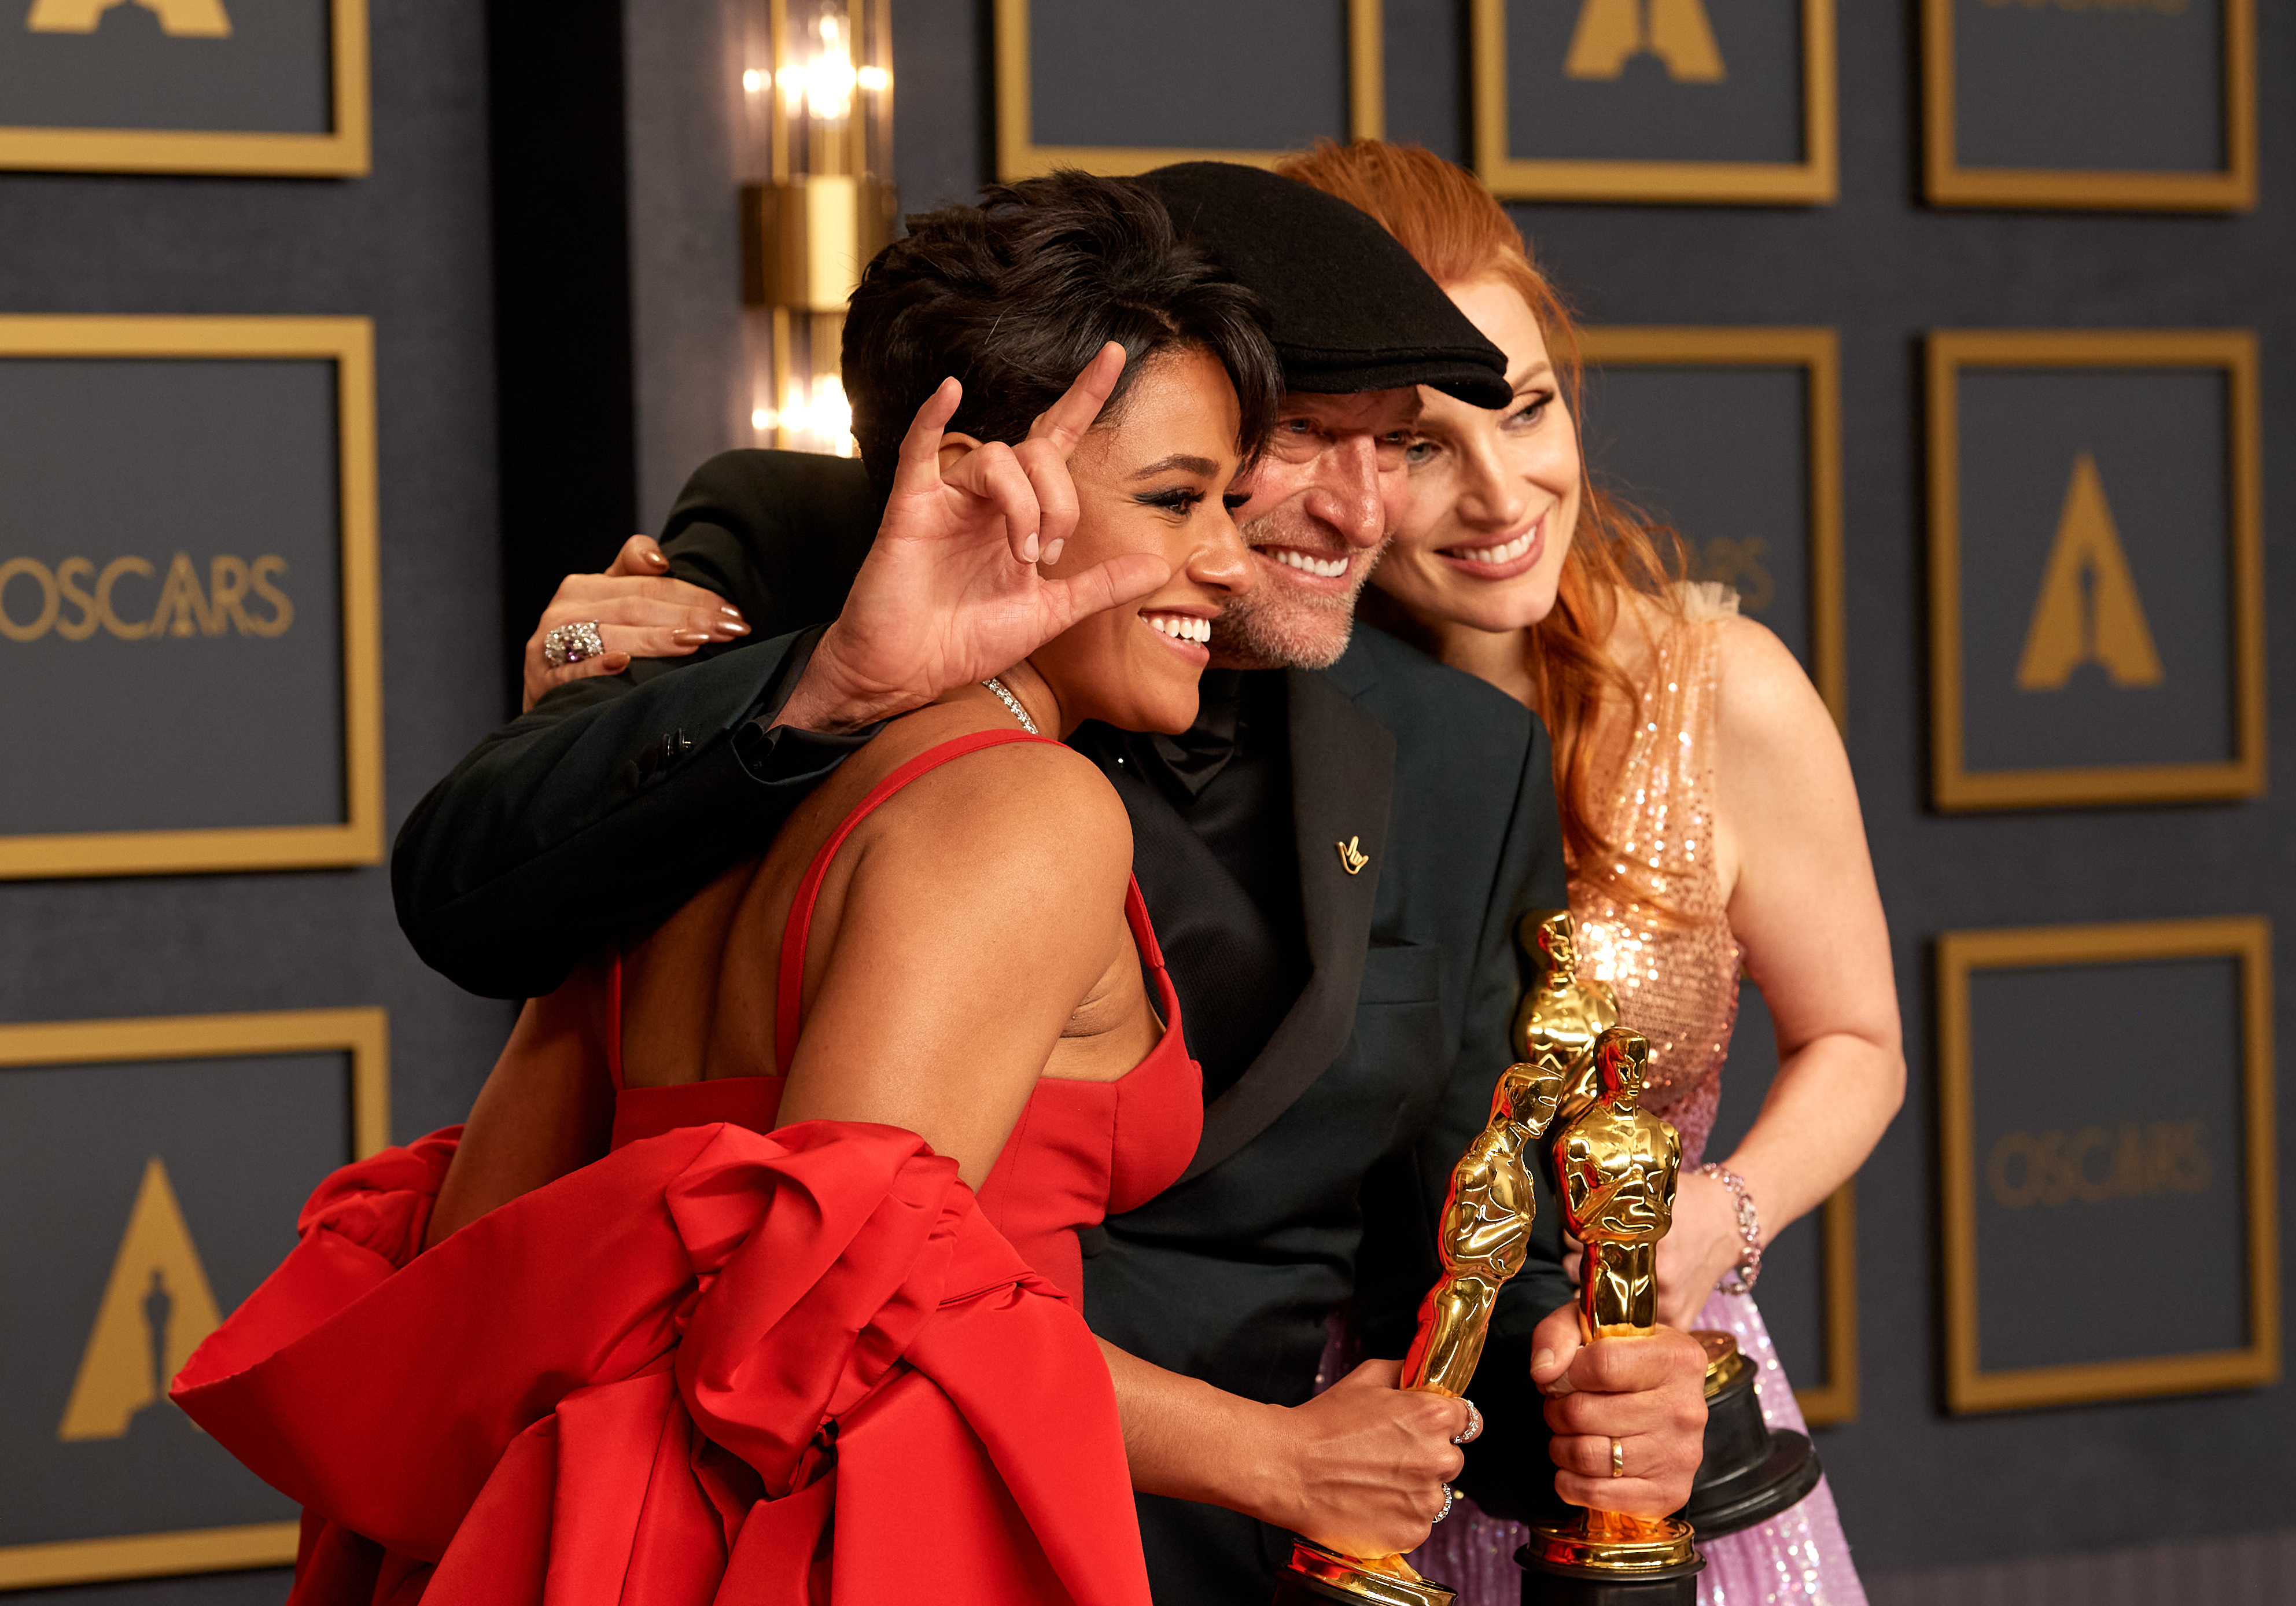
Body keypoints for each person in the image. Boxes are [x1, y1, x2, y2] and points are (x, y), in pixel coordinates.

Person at [385, 163, 1712, 1600]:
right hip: (842, 1522)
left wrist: (1586, 1409)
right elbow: (488, 902)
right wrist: (811, 685)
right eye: (1296, 438)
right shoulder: (834, 568)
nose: (1361, 509)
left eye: (1393, 444)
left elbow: (1462, 1257)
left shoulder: (1463, 757)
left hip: (1196, 1565)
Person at [1277, 139, 1906, 1605]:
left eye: (1527, 407)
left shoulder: (1718, 685)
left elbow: (1859, 1040)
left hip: (1646, 1427)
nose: (1503, 492)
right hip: (1339, 1446)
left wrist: (1717, 1216)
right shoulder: (1243, 735)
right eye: (1423, 445)